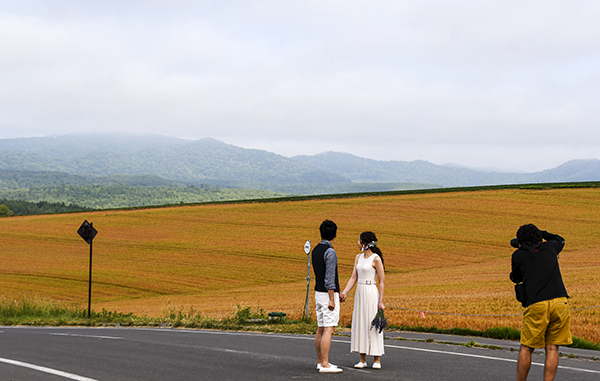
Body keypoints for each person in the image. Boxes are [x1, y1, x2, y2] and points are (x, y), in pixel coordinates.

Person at [509, 224, 572, 381]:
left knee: (526, 347)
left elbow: (516, 278)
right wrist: (542, 234)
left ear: (521, 240)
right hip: (560, 301)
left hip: (537, 304)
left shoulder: (519, 255)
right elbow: (560, 239)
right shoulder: (550, 247)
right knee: (552, 348)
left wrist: (522, 247)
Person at [340, 231, 385, 369]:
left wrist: (380, 301)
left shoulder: (376, 259)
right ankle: (362, 358)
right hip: (360, 292)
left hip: (371, 292)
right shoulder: (358, 257)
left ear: (364, 242)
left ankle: (376, 359)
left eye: (359, 240)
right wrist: (345, 292)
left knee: (373, 323)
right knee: (361, 322)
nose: (357, 242)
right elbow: (354, 277)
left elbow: (381, 281)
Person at [312, 219, 343, 373]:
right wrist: (332, 298)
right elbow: (329, 278)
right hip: (327, 294)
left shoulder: (315, 249)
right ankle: (325, 364)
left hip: (318, 292)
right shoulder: (330, 252)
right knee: (329, 329)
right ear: (335, 234)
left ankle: (320, 361)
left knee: (321, 328)